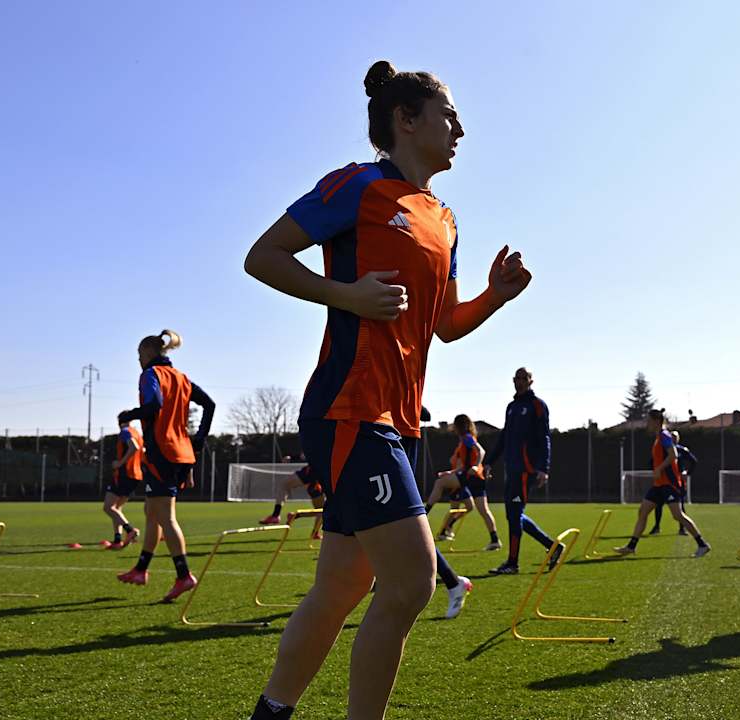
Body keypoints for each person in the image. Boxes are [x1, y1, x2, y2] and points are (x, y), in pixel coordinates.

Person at [242, 60, 531, 720]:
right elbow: (263, 256)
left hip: (396, 425)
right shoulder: (358, 186)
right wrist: (343, 293)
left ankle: (271, 712)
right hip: (350, 408)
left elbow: (447, 327)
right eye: (448, 114)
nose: (460, 127)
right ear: (406, 120)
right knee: (411, 583)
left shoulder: (445, 220)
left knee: (343, 584)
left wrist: (496, 296)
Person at [115, 330, 216, 604]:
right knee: (152, 512)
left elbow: (154, 406)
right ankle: (141, 569)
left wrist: (128, 415)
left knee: (166, 516)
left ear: (147, 354)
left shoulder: (150, 375)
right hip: (181, 452)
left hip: (162, 452)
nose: (138, 360)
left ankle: (184, 575)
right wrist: (199, 439)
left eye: (139, 355)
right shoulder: (182, 377)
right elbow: (209, 404)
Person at [484, 368, 564, 575]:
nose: (519, 382)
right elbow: (504, 437)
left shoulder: (537, 405)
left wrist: (543, 468)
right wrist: (489, 462)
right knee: (514, 515)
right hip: (511, 470)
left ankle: (512, 563)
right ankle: (553, 547)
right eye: (516, 378)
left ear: (531, 381)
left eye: (523, 378)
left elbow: (545, 438)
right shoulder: (511, 407)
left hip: (525, 471)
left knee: (515, 513)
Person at [614, 409, 710, 558]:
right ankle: (631, 546)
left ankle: (702, 544)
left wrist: (659, 468)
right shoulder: (659, 436)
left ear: (656, 421)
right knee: (643, 511)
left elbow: (673, 455)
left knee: (678, 515)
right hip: (659, 484)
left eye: (648, 420)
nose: (647, 423)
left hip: (669, 484)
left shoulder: (664, 435)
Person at [423, 414, 501, 550]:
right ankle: (495, 540)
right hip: (476, 477)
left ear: (460, 426)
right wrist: (450, 472)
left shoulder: (467, 438)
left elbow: (481, 451)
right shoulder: (465, 439)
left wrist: (476, 466)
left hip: (470, 475)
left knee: (439, 483)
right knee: (483, 510)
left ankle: (425, 512)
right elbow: (463, 464)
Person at [100, 419, 143, 550]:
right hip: (135, 475)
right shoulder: (137, 433)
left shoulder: (125, 432)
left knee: (108, 507)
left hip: (124, 474)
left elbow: (133, 447)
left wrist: (120, 463)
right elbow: (142, 450)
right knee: (117, 508)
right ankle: (117, 540)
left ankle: (130, 530)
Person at [259, 458, 326, 539]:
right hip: (317, 474)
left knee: (322, 510)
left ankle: (283, 515)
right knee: (322, 510)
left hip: (316, 473)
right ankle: (313, 532)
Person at [650, 430, 696, 536]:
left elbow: (693, 461)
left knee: (679, 507)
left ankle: (682, 529)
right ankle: (656, 527)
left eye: (676, 437)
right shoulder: (664, 449)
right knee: (658, 504)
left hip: (677, 482)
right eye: (672, 437)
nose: (674, 438)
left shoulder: (681, 450)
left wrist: (687, 472)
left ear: (679, 438)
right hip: (664, 481)